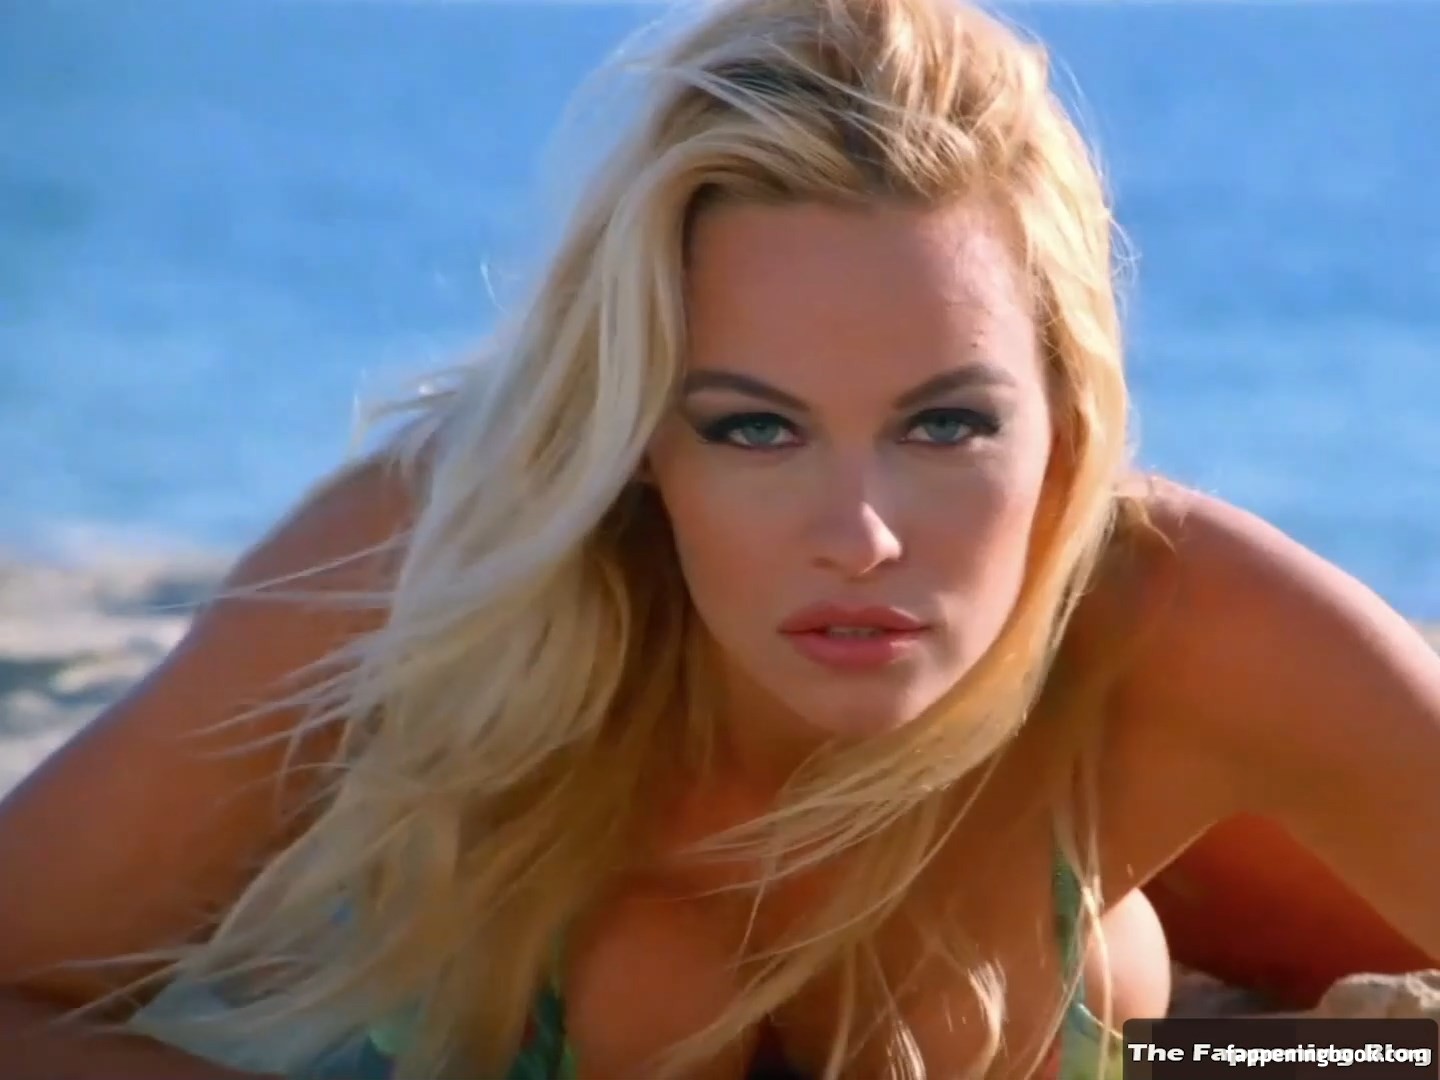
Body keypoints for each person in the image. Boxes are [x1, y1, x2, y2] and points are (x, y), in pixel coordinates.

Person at [2, 0, 1438, 1077]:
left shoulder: (1179, 617)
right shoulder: (430, 572)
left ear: (1066, 422)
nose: (860, 535)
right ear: (641, 437)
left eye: (947, 425)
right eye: (755, 428)